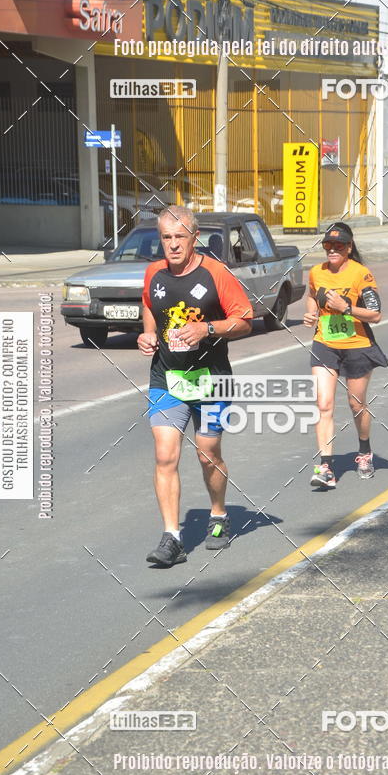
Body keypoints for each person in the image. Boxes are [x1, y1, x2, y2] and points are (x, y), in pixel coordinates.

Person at [138, 206, 253, 568]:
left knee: (207, 454)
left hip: (211, 379)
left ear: (195, 238)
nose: (172, 245)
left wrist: (208, 329)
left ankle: (218, 514)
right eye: (166, 238)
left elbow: (246, 320)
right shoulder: (154, 272)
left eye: (180, 237)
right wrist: (149, 334)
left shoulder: (216, 273)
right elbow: (148, 304)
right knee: (165, 454)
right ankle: (172, 537)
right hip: (167, 379)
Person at [303, 223, 388, 486]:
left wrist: (346, 307)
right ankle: (325, 467)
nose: (332, 250)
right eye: (328, 245)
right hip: (324, 343)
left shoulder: (361, 274)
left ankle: (364, 452)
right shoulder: (317, 272)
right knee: (324, 403)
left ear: (349, 248)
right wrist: (311, 313)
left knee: (356, 404)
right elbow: (311, 296)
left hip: (357, 345)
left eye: (339, 246)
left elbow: (375, 314)